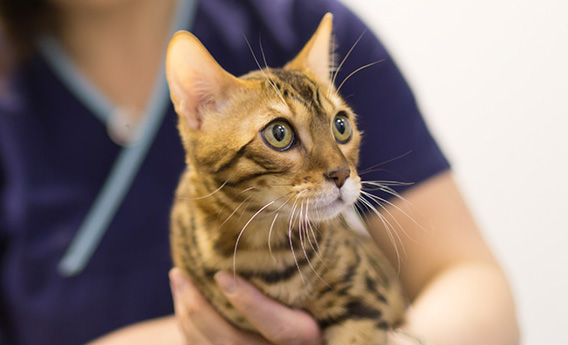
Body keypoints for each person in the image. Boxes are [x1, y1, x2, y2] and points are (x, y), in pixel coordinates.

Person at [0, 0, 519, 344]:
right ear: (196, 107)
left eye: (339, 129)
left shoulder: (289, 20)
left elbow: (471, 281)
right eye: (281, 136)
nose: (335, 169)